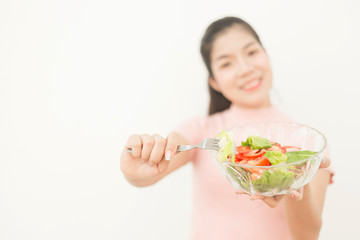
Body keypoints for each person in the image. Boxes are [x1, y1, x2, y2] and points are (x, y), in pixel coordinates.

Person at [120, 16, 333, 240]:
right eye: (226, 63)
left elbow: (307, 236)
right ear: (214, 82)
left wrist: (296, 178)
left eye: (251, 53)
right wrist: (134, 171)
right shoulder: (201, 130)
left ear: (266, 54)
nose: (244, 69)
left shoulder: (308, 144)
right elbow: (150, 172)